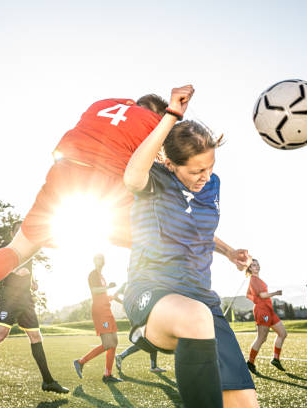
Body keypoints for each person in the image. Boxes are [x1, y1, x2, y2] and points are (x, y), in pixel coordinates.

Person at [0, 87, 185, 320]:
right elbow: (169, 161)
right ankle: (164, 304)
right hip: (109, 183)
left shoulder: (103, 103)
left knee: (19, 248)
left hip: (63, 173)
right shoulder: (156, 122)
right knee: (162, 238)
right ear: (157, 111)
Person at [122, 85, 259, 408]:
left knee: (245, 404)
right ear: (171, 164)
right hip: (152, 292)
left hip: (202, 299)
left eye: (210, 167)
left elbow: (197, 231)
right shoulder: (154, 179)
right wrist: (171, 115)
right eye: (197, 170)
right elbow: (131, 176)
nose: (205, 176)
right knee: (196, 317)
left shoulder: (212, 185)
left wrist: (229, 253)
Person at [0, 222, 68, 394]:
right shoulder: (8, 252)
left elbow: (28, 271)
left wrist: (32, 282)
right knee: (1, 334)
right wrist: (15, 271)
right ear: (12, 234)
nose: (22, 233)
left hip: (26, 299)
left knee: (35, 336)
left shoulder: (30, 252)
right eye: (18, 230)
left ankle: (48, 381)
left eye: (24, 230)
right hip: (10, 298)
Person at [73, 254, 123, 383]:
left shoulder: (102, 277)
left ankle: (107, 375)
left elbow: (103, 294)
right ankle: (80, 362)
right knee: (108, 343)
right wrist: (108, 288)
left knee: (114, 342)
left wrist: (116, 298)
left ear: (104, 262)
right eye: (97, 259)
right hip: (100, 313)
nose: (100, 261)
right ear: (94, 261)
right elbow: (95, 291)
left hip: (107, 310)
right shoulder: (93, 274)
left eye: (102, 259)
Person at [245, 258, 288, 375]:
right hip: (262, 311)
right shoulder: (253, 280)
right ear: (249, 268)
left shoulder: (257, 280)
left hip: (269, 310)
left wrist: (255, 298)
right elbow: (263, 295)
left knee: (283, 333)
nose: (256, 266)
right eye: (253, 265)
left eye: (257, 264)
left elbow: (248, 294)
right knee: (261, 338)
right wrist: (275, 293)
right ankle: (250, 362)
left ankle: (275, 359)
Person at [113, 283, 166, 374]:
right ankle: (122, 356)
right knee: (150, 340)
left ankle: (122, 357)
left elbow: (115, 296)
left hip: (136, 315)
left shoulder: (127, 284)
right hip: (140, 315)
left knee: (144, 341)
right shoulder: (138, 283)